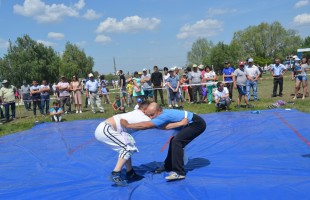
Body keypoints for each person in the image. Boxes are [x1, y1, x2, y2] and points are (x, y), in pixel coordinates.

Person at [120, 102, 207, 181]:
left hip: (197, 124)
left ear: (159, 111)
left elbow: (146, 125)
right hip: (189, 123)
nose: (151, 117)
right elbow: (163, 127)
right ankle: (168, 166)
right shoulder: (160, 114)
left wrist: (128, 125)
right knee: (174, 141)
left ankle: (179, 172)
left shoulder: (163, 116)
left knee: (177, 142)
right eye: (149, 115)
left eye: (152, 115)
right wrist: (179, 124)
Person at [94, 101, 151, 186]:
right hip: (106, 129)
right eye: (152, 110)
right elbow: (157, 122)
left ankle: (130, 172)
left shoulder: (137, 111)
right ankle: (115, 173)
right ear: (145, 110)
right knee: (126, 148)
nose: (152, 113)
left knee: (129, 147)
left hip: (109, 129)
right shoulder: (143, 116)